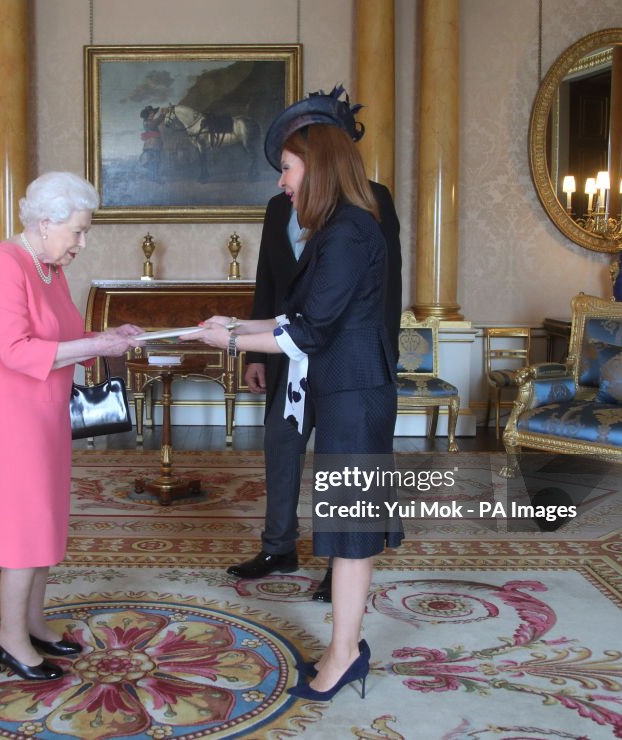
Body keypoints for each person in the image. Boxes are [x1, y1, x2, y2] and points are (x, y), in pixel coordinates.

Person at [190, 90, 403, 701]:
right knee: (344, 522)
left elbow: (308, 330)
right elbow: (298, 317)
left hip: (352, 391)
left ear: (318, 165)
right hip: (340, 385)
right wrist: (232, 331)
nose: (282, 181)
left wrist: (233, 340)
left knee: (350, 527)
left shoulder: (348, 233)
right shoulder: (337, 227)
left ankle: (344, 655)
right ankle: (345, 646)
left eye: (287, 167)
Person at [0, 171, 142, 681]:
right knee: (20, 526)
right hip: (10, 416)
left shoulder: (48, 268)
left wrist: (104, 336)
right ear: (45, 223)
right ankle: (11, 638)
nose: (82, 244)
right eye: (77, 232)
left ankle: (35, 623)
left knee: (42, 518)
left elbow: (61, 335)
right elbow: (17, 351)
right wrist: (94, 347)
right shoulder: (1, 266)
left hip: (45, 411)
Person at [229, 87, 403, 604]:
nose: (281, 179)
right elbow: (269, 282)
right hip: (290, 347)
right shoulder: (278, 207)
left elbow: (382, 288)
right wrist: (255, 349)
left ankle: (341, 563)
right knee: (282, 448)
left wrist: (378, 359)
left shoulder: (365, 210)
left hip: (341, 356)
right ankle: (278, 547)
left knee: (345, 462)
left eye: (287, 165)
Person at [139, 105, 168, 181]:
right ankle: (155, 178)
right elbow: (156, 122)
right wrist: (163, 114)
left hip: (154, 145)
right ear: (147, 115)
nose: (153, 114)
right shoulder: (147, 123)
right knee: (153, 161)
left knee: (155, 161)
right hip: (151, 145)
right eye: (151, 113)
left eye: (153, 113)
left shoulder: (149, 122)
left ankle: (154, 177)